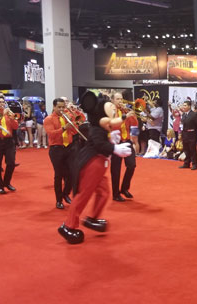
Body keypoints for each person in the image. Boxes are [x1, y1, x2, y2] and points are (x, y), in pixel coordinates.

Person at [58, 92, 132, 244]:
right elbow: (99, 144)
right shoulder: (96, 129)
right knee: (83, 195)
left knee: (103, 192)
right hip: (92, 164)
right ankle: (68, 226)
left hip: (100, 164)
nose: (115, 120)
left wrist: (113, 140)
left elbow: (107, 136)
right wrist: (115, 149)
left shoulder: (103, 129)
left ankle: (93, 218)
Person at [44, 98, 75, 209]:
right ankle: (59, 200)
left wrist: (74, 118)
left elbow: (75, 131)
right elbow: (51, 134)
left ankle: (65, 193)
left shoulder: (67, 117)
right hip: (56, 149)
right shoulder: (49, 119)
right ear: (54, 107)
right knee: (59, 175)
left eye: (63, 107)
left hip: (69, 148)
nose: (62, 109)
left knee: (72, 173)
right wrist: (64, 128)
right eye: (59, 107)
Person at [0, 95, 19, 195]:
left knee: (11, 162)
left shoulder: (7, 113)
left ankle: (7, 182)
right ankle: (0, 186)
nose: (2, 104)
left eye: (3, 102)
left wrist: (12, 118)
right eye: (0, 102)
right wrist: (2, 113)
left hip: (8, 141)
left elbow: (15, 126)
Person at [110, 92, 137, 202]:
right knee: (115, 170)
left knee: (131, 165)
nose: (120, 101)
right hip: (116, 142)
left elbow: (134, 124)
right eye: (118, 99)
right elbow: (113, 124)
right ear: (112, 100)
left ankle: (124, 188)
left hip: (127, 140)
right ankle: (115, 194)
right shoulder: (111, 111)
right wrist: (124, 116)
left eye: (121, 99)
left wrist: (132, 114)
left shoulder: (124, 110)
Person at [179, 100, 197, 170]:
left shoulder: (194, 114)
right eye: (183, 105)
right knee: (186, 150)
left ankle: (194, 164)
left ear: (189, 106)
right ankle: (186, 163)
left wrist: (194, 132)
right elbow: (182, 125)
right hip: (184, 134)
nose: (184, 107)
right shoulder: (183, 115)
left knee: (192, 150)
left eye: (185, 105)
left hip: (192, 134)